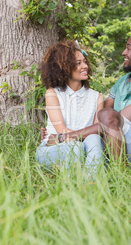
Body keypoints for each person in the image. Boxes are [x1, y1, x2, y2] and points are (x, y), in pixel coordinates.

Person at [44, 29, 131, 169]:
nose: (124, 52)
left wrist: (64, 137)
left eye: (129, 48)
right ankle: (100, 172)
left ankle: (120, 174)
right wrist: (52, 129)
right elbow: (99, 113)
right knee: (100, 124)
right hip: (118, 145)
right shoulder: (123, 81)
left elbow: (109, 121)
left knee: (107, 117)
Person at [36, 40, 104, 176]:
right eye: (78, 63)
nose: (85, 66)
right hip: (53, 149)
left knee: (95, 139)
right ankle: (71, 188)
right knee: (75, 146)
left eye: (84, 61)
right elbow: (63, 131)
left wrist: (65, 137)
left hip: (85, 148)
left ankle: (91, 184)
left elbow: (97, 131)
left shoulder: (97, 97)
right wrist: (66, 137)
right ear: (64, 67)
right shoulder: (53, 93)